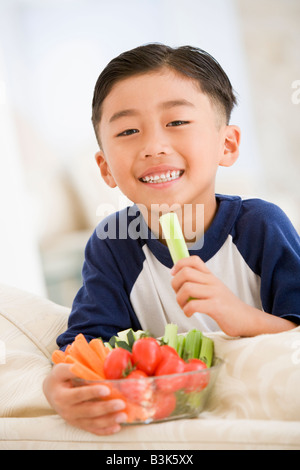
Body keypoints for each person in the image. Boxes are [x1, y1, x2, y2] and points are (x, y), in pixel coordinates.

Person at [43, 43, 300, 435]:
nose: (153, 146)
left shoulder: (261, 225)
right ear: (105, 167)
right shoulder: (112, 242)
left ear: (226, 144)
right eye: (128, 131)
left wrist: (241, 317)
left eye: (177, 122)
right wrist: (59, 386)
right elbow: (87, 348)